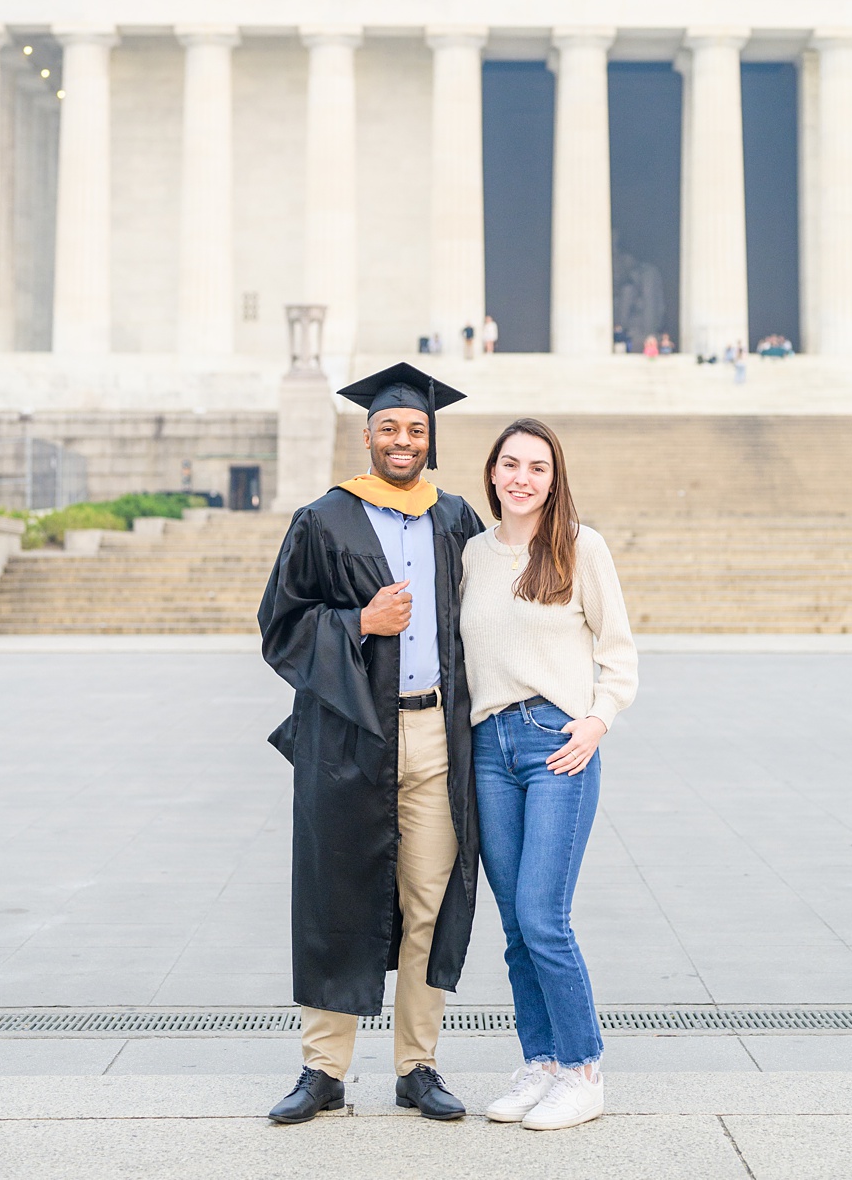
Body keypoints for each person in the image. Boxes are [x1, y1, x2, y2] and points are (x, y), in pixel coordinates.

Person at [257, 362, 486, 1126]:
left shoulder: (455, 519)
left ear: (430, 439)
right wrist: (360, 622)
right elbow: (280, 627)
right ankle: (323, 1069)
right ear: (366, 436)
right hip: (351, 737)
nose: (403, 439)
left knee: (428, 899)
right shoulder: (325, 519)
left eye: (416, 428)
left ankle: (417, 1067)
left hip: (437, 735)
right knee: (336, 895)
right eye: (389, 427)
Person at [461, 418, 638, 1133]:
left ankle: (584, 1069)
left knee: (543, 915)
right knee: (513, 926)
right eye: (511, 464)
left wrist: (597, 721)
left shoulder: (579, 546)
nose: (522, 478)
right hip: (487, 746)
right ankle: (540, 1064)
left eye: (538, 467)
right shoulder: (471, 553)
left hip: (555, 741)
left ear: (554, 478)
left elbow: (619, 648)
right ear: (493, 473)